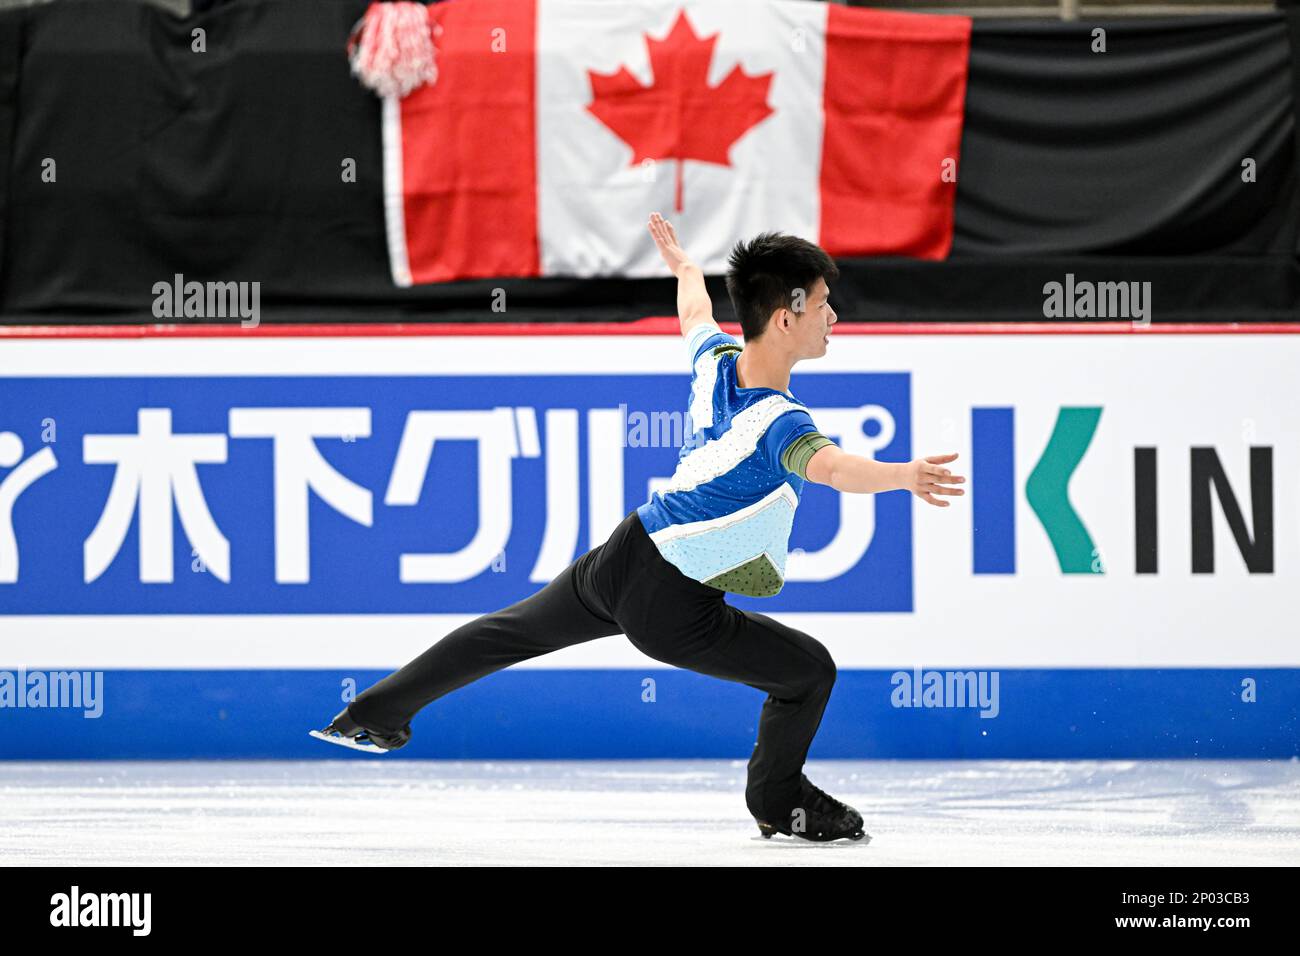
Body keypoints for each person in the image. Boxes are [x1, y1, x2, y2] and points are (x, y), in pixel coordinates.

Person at [314, 212, 966, 842]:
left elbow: (696, 314)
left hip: (625, 555)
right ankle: (777, 801)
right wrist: (903, 474)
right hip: (674, 605)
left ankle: (372, 713)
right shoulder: (781, 422)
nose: (833, 317)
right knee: (809, 672)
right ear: (786, 316)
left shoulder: (718, 365)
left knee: (507, 633)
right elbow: (832, 470)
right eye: (823, 303)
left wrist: (686, 267)